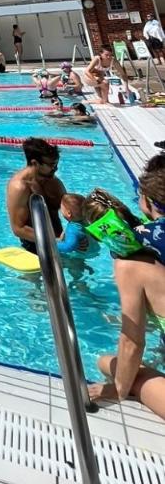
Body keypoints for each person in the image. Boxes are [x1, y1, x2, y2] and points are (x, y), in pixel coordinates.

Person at [89, 165, 165, 417]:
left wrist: (119, 389)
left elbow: (132, 340)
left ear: (146, 201)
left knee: (109, 363)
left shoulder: (130, 263)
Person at [5, 138, 65, 253]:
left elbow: (71, 209)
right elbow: (18, 228)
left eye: (57, 163)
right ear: (34, 163)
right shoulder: (19, 187)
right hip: (35, 247)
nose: (56, 168)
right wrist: (55, 241)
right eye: (52, 165)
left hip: (62, 243)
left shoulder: (52, 181)